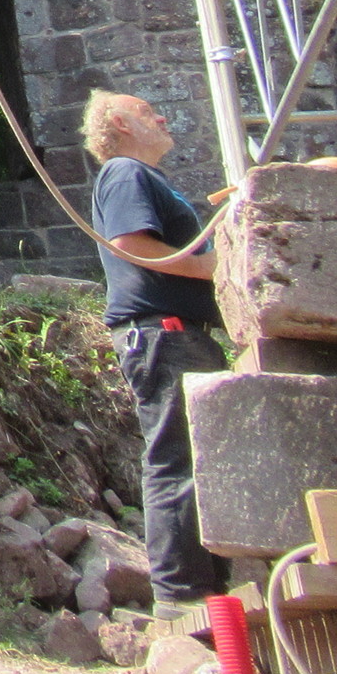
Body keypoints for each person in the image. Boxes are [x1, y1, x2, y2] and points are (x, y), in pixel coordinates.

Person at [81, 90, 226, 623]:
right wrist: (211, 265)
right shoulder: (125, 172)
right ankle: (181, 597)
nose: (162, 115)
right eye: (147, 111)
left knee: (196, 461)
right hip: (163, 333)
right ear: (120, 123)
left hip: (176, 335)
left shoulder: (146, 178)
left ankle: (208, 587)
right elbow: (132, 244)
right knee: (178, 460)